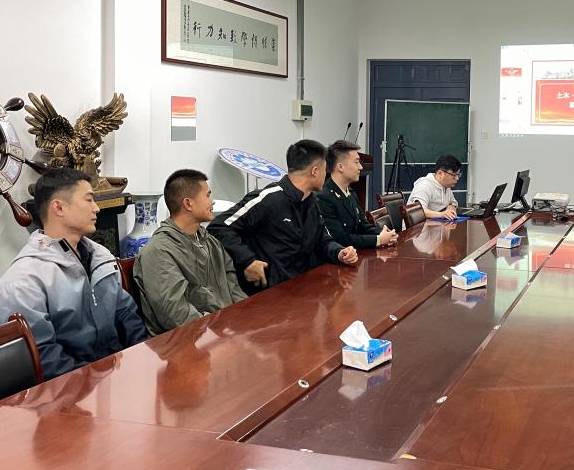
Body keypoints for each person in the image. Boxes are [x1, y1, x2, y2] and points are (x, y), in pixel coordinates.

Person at [0, 168, 148, 380]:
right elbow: (43, 356)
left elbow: (125, 313)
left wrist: (143, 360)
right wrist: (97, 380)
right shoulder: (24, 281)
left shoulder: (100, 257)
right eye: (89, 200)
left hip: (116, 375)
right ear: (59, 207)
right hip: (72, 388)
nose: (96, 208)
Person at [209, 140, 358, 295]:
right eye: (325, 170)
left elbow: (323, 240)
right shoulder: (269, 198)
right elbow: (219, 226)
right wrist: (247, 261)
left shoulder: (311, 202)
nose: (326, 175)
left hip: (301, 290)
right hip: (267, 294)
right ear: (314, 171)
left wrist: (339, 252)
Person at [133, 169, 247, 335]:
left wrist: (245, 317)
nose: (212, 201)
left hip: (224, 330)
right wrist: (221, 329)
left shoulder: (210, 242)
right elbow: (175, 315)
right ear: (188, 203)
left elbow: (233, 288)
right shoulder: (159, 252)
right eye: (208, 195)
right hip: (187, 340)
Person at [317, 140, 398, 249]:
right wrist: (378, 240)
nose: (360, 167)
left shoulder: (351, 193)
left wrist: (385, 233)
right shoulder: (324, 197)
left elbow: (363, 226)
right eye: (356, 162)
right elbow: (340, 239)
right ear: (340, 167)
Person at [408, 154, 461, 220]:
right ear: (440, 173)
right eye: (454, 175)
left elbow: (453, 202)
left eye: (458, 175)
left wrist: (451, 207)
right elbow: (418, 211)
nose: (457, 178)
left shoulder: (446, 185)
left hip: (435, 223)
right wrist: (442, 214)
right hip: (418, 225)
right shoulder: (424, 185)